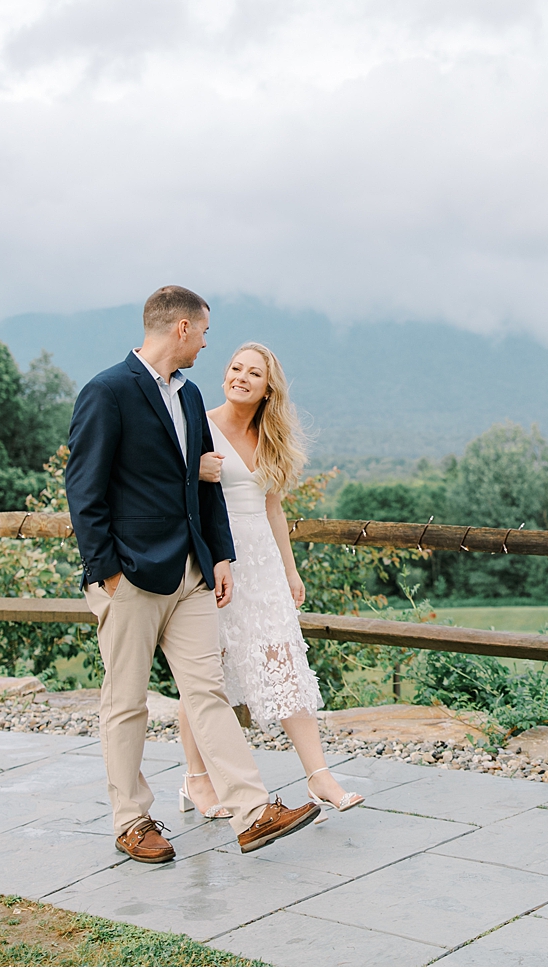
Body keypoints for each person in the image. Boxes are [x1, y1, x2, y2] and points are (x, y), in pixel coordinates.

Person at [66, 285, 319, 863]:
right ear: (181, 328)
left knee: (207, 692)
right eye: (204, 332)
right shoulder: (107, 391)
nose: (207, 343)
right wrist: (105, 571)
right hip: (127, 577)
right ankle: (131, 821)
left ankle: (253, 811)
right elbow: (84, 489)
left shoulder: (191, 394)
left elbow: (204, 488)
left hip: (193, 575)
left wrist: (220, 555)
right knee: (125, 701)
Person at [178, 342, 363, 817]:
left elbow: (273, 507)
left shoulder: (270, 437)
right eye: (235, 368)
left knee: (286, 666)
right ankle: (196, 781)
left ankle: (318, 775)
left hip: (260, 563)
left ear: (267, 389)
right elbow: (171, 483)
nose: (241, 377)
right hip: (215, 560)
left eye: (253, 373)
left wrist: (289, 569)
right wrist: (193, 470)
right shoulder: (201, 423)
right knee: (206, 674)